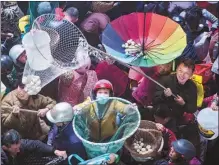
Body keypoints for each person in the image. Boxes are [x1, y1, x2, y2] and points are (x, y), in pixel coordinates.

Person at [153, 58, 197, 123]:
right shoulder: (165, 80)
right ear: (176, 69)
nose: (182, 75)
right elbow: (154, 100)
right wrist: (164, 94)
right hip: (160, 114)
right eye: (180, 71)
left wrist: (183, 104)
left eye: (186, 73)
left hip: (176, 117)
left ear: (191, 75)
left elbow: (193, 108)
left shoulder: (192, 87)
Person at [1, 129, 67, 165]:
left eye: (19, 147)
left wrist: (55, 151)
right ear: (5, 148)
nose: (18, 150)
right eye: (15, 149)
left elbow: (36, 144)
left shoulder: (20, 144)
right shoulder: (2, 157)